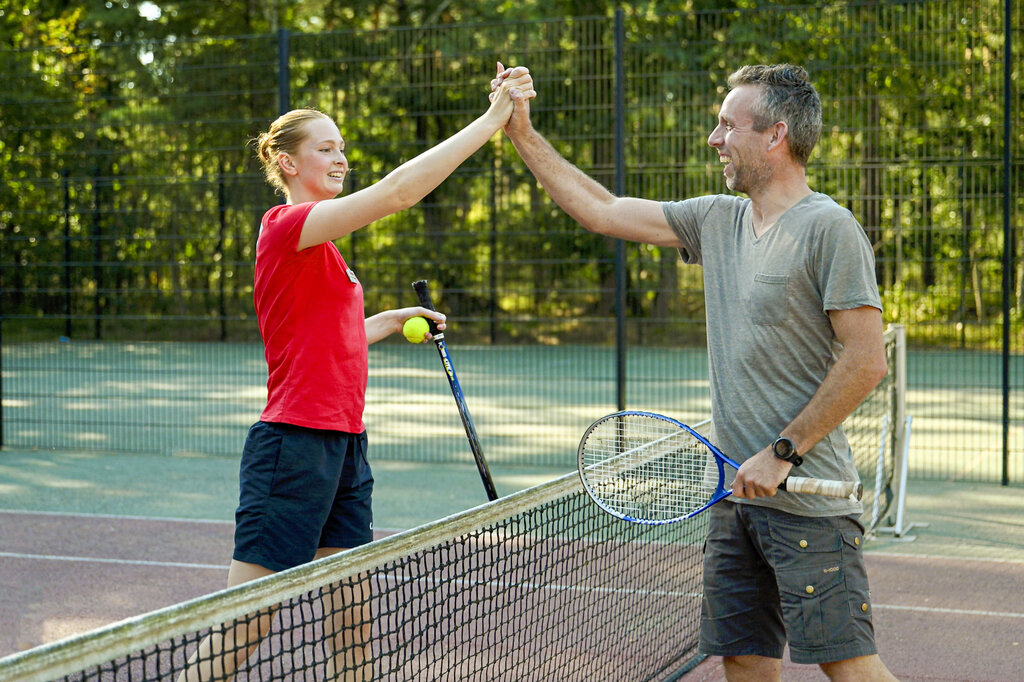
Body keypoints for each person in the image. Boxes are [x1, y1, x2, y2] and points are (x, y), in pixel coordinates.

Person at [495, 63, 898, 681]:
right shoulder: (716, 219)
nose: (714, 139)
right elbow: (600, 210)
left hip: (807, 504)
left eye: (727, 125)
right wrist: (520, 129)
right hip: (735, 502)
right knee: (743, 658)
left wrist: (785, 451)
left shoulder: (829, 229)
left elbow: (866, 360)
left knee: (848, 667)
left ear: (775, 135)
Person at [178, 63, 535, 682]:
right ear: (288, 163)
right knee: (247, 620)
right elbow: (399, 193)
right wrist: (491, 121)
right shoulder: (286, 226)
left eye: (342, 146)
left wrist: (391, 319)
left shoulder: (326, 250)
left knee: (352, 616)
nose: (340, 157)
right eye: (325, 148)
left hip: (342, 443)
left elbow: (325, 340)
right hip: (292, 444)